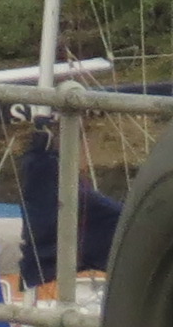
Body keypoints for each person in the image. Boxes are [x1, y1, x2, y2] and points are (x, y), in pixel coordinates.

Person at [15, 120, 122, 279]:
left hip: (38, 275)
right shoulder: (60, 183)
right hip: (56, 276)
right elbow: (119, 216)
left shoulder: (39, 174)